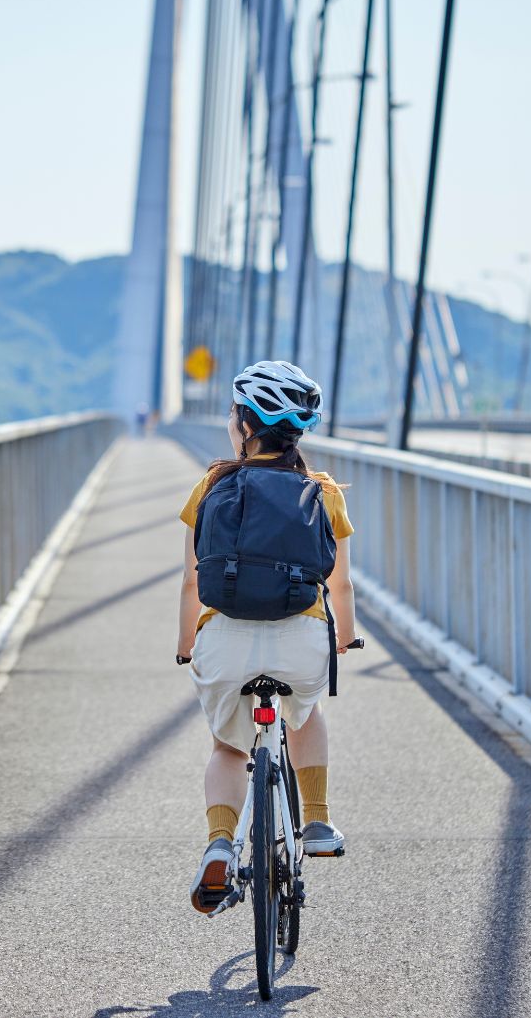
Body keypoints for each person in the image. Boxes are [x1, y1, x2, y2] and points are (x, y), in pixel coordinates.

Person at [176, 360, 358, 914]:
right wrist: (344, 640)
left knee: (228, 746)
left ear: (243, 426)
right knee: (305, 714)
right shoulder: (322, 491)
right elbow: (341, 585)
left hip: (225, 641)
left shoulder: (211, 484)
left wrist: (187, 646)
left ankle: (220, 843)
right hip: (300, 642)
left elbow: (191, 582)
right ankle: (319, 821)